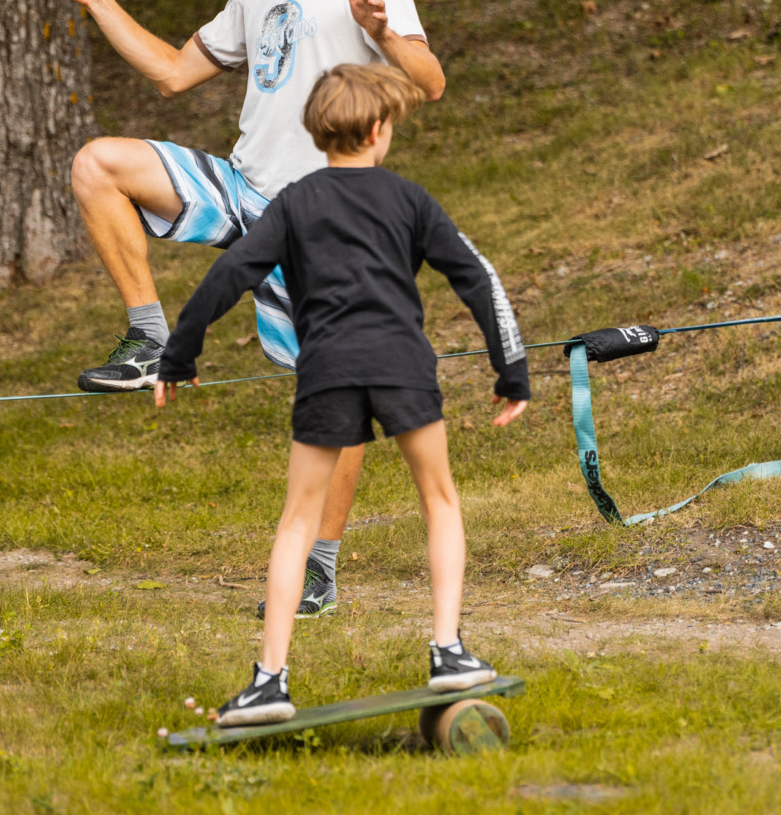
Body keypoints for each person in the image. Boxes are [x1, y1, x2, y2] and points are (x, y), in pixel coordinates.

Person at [23, 0, 444, 619]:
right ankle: (147, 339)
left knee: (337, 391)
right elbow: (173, 74)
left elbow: (429, 82)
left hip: (324, 215)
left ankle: (319, 564)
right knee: (97, 163)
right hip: (243, 189)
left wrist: (385, 30)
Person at [152, 64, 529, 725]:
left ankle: (270, 680)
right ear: (379, 129)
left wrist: (177, 356)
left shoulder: (294, 202)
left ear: (319, 131)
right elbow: (476, 277)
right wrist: (512, 372)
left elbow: (231, 272)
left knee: (297, 521)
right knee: (439, 501)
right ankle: (448, 652)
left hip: (324, 368)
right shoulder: (410, 199)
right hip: (402, 364)